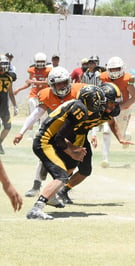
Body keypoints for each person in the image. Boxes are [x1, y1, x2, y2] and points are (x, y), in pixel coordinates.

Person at [26, 85, 107, 220]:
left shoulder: (78, 105)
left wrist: (74, 149)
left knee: (67, 170)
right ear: (88, 101)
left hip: (49, 141)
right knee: (62, 176)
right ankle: (37, 208)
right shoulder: (79, 109)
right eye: (97, 102)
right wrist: (72, 151)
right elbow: (59, 138)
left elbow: (60, 136)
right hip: (44, 142)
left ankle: (50, 196)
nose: (99, 106)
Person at [13, 67, 85, 200]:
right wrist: (21, 132)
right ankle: (36, 185)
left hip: (72, 132)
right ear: (52, 85)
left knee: (71, 161)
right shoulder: (46, 94)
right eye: (58, 83)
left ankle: (60, 190)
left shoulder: (78, 90)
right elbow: (35, 115)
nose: (62, 86)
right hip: (53, 131)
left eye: (64, 82)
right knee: (44, 158)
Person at [57, 82, 133, 204]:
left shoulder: (105, 112)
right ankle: (51, 191)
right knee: (70, 167)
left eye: (115, 103)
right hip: (67, 137)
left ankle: (63, 190)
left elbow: (112, 123)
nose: (113, 106)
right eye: (111, 102)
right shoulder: (87, 108)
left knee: (85, 170)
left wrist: (120, 138)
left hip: (81, 137)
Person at [99, 56, 135, 167]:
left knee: (120, 133)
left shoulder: (127, 79)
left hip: (123, 109)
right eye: (112, 69)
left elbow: (134, 97)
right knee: (106, 131)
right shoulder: (104, 77)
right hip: (109, 108)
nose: (115, 71)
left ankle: (126, 136)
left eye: (117, 68)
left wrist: (120, 107)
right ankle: (105, 159)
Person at [14, 52, 52, 139]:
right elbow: (28, 84)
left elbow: (47, 82)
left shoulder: (48, 70)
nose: (40, 63)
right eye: (38, 61)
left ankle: (40, 132)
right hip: (33, 94)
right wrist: (18, 89)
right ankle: (30, 134)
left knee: (43, 116)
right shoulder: (32, 70)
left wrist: (34, 82)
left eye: (42, 61)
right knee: (32, 115)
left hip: (43, 95)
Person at [0, 55, 19, 154]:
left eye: (5, 65)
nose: (3, 67)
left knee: (7, 127)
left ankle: (0, 143)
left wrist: (15, 106)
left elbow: (10, 93)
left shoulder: (10, 77)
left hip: (4, 106)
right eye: (1, 64)